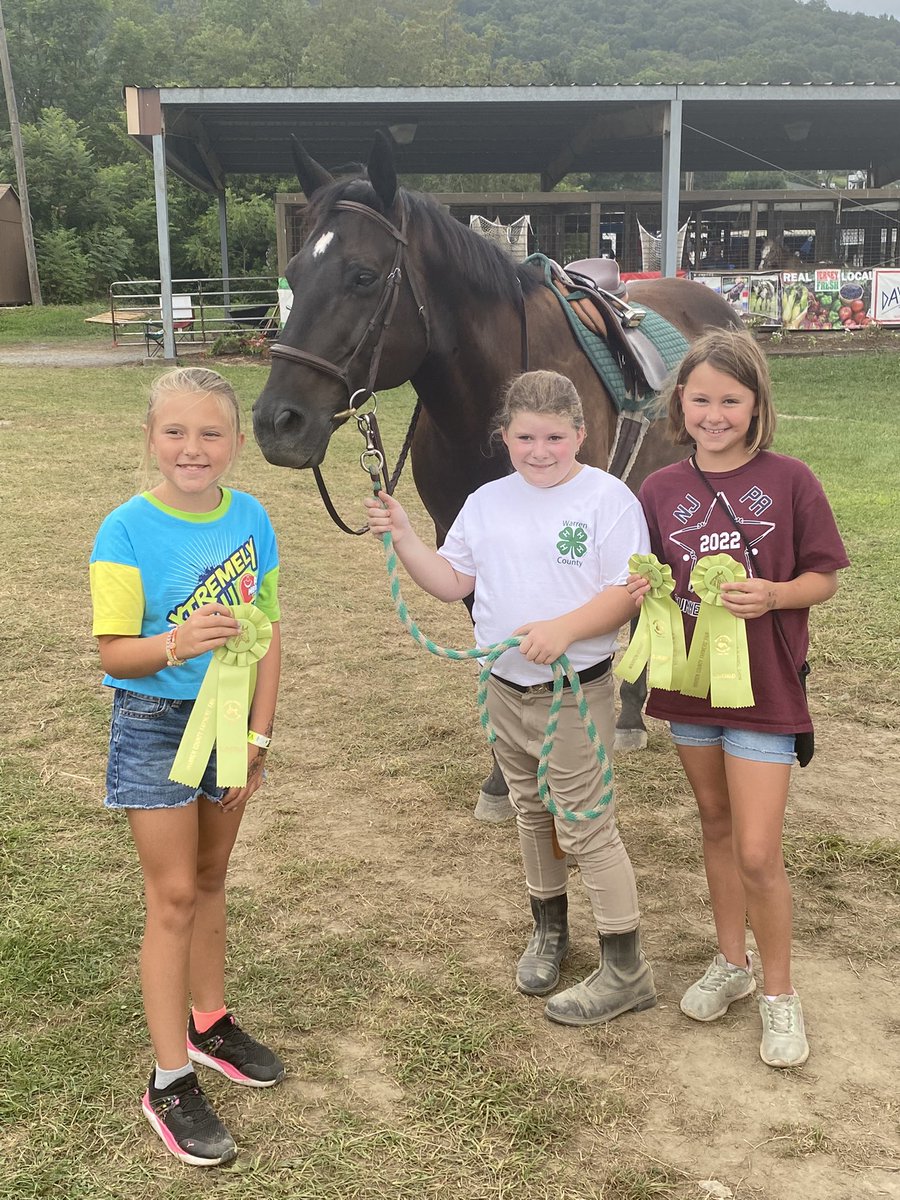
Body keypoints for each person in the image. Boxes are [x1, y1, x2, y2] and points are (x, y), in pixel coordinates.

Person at [365, 369, 656, 1027]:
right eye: (526, 437)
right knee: (530, 810)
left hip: (574, 695)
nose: (540, 451)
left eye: (554, 437)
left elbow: (625, 593)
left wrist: (565, 630)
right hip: (505, 689)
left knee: (585, 823)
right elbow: (452, 581)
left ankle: (626, 967)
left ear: (580, 433)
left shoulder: (607, 499)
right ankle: (550, 930)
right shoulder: (487, 503)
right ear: (504, 436)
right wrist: (405, 535)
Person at [628, 329, 848, 1068]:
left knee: (758, 851)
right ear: (679, 405)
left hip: (767, 691)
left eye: (731, 400)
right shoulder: (659, 490)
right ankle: (732, 963)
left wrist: (776, 595)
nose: (714, 414)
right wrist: (641, 586)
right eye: (701, 399)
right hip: (690, 692)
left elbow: (824, 576)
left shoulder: (792, 480)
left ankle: (780, 994)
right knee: (716, 825)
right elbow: (648, 575)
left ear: (756, 406)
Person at [90, 367, 284, 1165]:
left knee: (210, 877)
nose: (192, 448)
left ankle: (210, 1023)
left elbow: (268, 632)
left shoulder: (252, 517)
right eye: (175, 431)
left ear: (236, 442)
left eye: (211, 433)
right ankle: (169, 1080)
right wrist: (175, 643)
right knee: (172, 895)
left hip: (230, 725)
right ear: (150, 438)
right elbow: (114, 654)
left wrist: (257, 739)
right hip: (155, 726)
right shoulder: (125, 529)